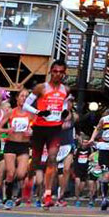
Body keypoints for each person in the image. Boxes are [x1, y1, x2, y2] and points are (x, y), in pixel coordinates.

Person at [23, 60, 72, 208]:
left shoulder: (66, 89)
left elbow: (64, 104)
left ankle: (48, 194)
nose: (58, 74)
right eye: (55, 71)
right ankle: (28, 184)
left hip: (55, 128)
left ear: (64, 74)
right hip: (39, 127)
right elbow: (25, 105)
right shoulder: (41, 87)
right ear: (51, 71)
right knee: (36, 161)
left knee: (52, 159)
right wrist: (39, 112)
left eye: (61, 72)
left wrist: (64, 113)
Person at [1, 89, 36, 208]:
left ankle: (14, 189)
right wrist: (7, 130)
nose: (24, 98)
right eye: (22, 96)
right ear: (17, 98)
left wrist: (32, 132)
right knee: (10, 173)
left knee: (21, 173)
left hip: (24, 145)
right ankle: (9, 198)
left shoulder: (31, 114)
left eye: (27, 96)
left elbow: (38, 129)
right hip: (11, 144)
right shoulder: (11, 112)